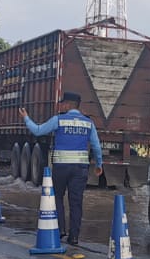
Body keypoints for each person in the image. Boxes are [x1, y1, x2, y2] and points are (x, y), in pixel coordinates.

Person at [18, 91, 103, 245]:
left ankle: (60, 230)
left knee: (57, 197)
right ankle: (74, 237)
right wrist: (98, 165)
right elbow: (96, 147)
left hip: (61, 167)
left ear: (68, 105)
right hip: (80, 169)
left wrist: (26, 118)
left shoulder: (58, 120)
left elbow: (38, 130)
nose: (61, 105)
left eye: (63, 103)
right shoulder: (88, 123)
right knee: (76, 202)